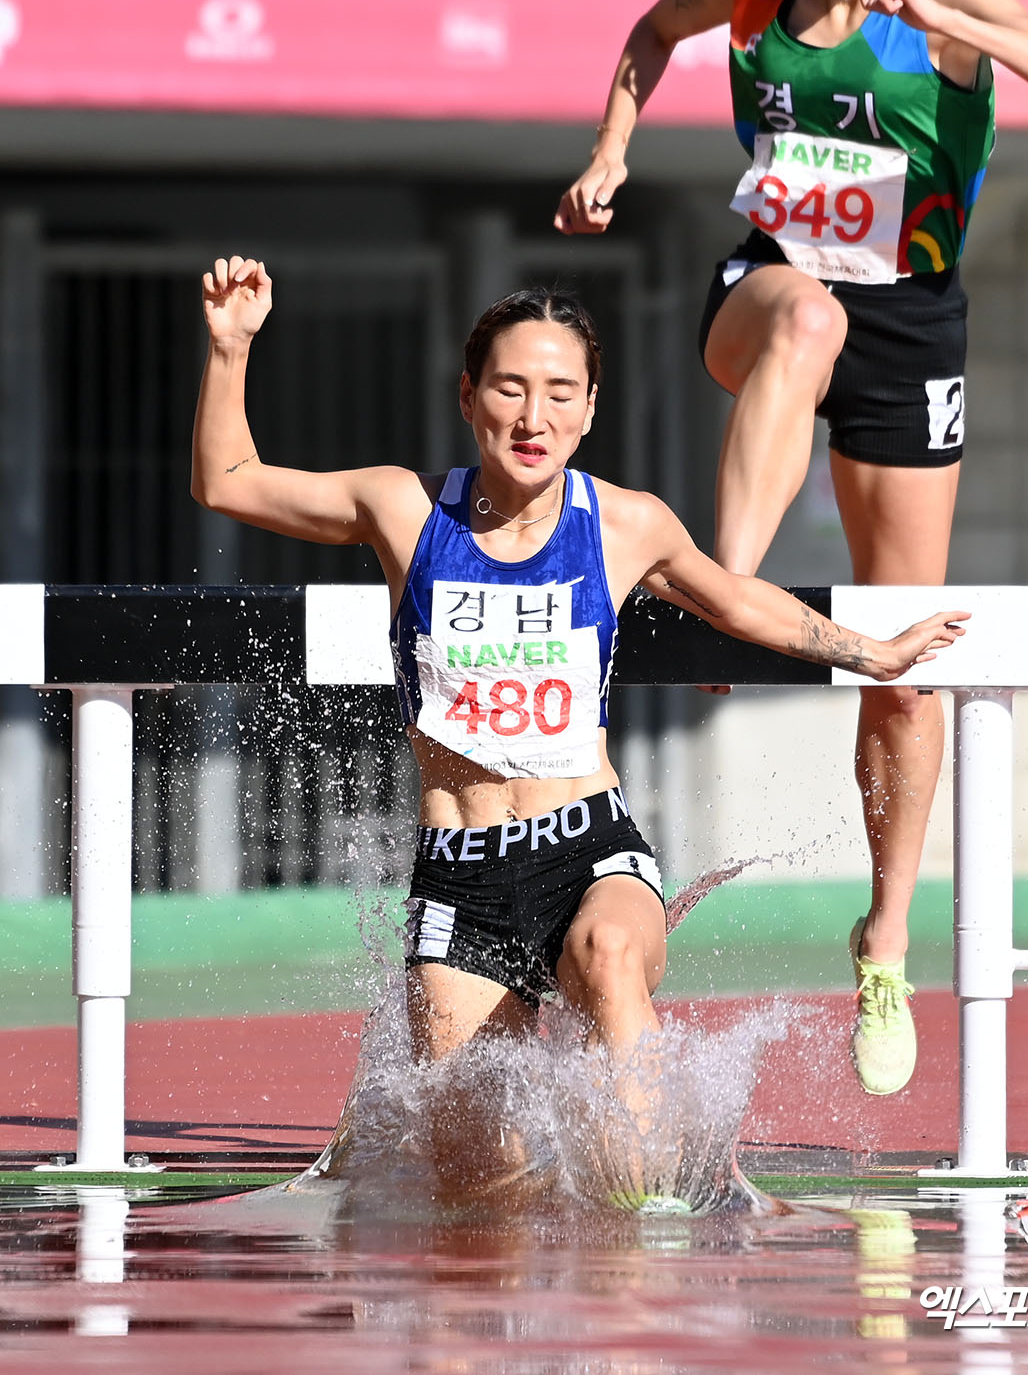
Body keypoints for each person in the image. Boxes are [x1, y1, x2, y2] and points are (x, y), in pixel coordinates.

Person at [554, 0, 1028, 1097]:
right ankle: (729, 584)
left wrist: (942, 11)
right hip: (771, 292)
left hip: (913, 327)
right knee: (801, 318)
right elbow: (651, 27)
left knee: (900, 664)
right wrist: (613, 147)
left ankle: (880, 933)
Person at [192, 257, 967, 1198]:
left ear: (591, 407)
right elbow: (228, 481)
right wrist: (229, 348)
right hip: (462, 882)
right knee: (484, 1201)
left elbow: (739, 604)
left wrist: (870, 653)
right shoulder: (403, 509)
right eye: (511, 388)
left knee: (605, 963)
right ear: (469, 396)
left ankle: (661, 1208)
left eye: (560, 392)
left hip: (591, 853)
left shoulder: (624, 523)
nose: (534, 417)